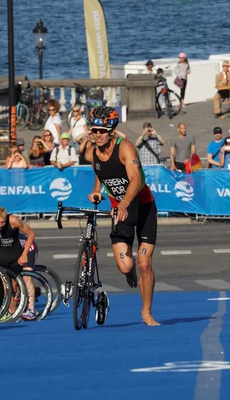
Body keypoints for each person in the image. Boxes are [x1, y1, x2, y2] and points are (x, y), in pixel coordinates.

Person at [84, 106, 159, 326]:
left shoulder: (125, 148)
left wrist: (125, 202)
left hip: (143, 207)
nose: (97, 135)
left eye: (101, 131)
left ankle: (146, 312)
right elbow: (100, 172)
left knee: (145, 263)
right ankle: (130, 272)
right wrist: (97, 190)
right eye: (94, 131)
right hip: (120, 211)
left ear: (112, 132)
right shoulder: (93, 153)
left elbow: (135, 179)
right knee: (127, 266)